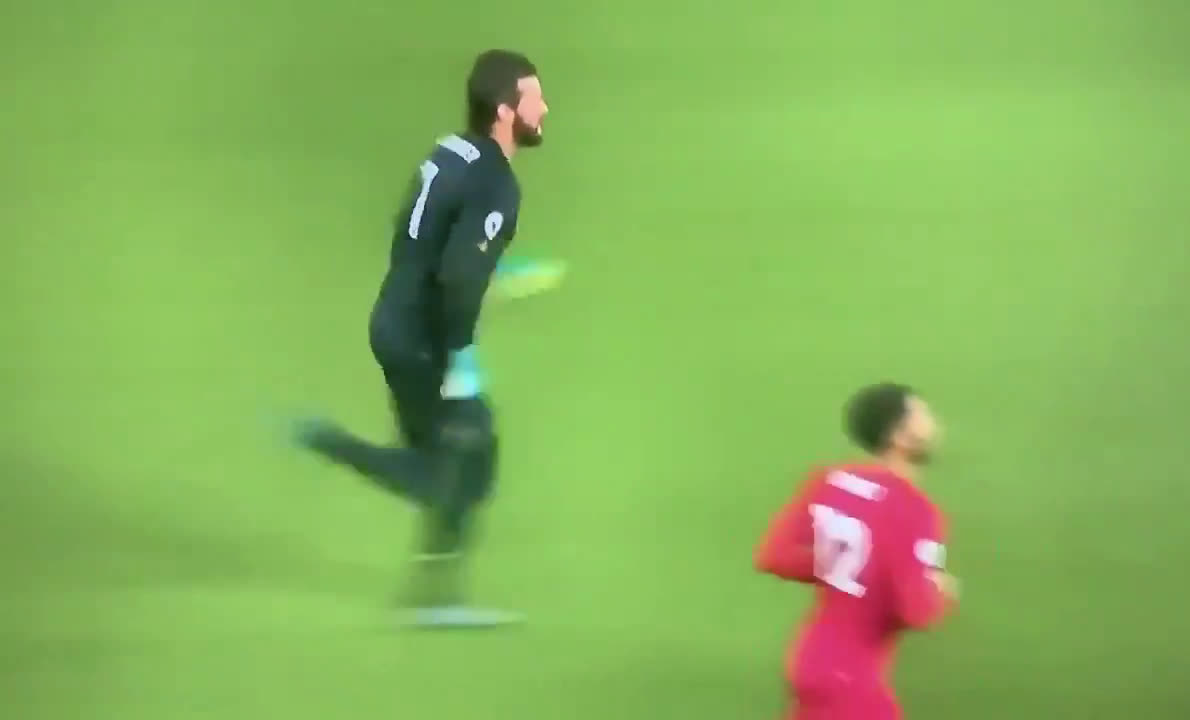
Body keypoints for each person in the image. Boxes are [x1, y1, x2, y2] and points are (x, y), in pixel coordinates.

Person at [293, 49, 551, 627]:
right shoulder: (497, 185)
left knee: (448, 463)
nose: (544, 109)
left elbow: (419, 236)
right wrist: (460, 360)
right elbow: (458, 275)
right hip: (426, 341)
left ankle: (430, 591)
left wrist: (487, 275)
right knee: (460, 466)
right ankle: (433, 597)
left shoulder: (450, 151)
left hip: (394, 320)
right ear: (505, 110)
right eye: (534, 99)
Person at [754, 383, 960, 719]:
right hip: (853, 680)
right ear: (901, 436)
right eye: (922, 415)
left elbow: (774, 556)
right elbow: (916, 612)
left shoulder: (830, 480)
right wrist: (942, 593)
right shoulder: (916, 510)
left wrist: (844, 567)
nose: (933, 422)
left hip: (809, 658)